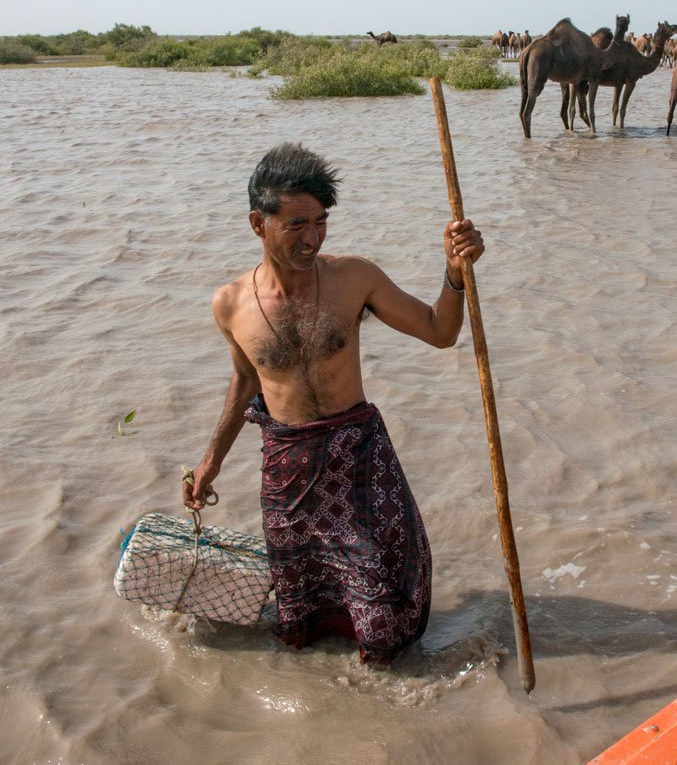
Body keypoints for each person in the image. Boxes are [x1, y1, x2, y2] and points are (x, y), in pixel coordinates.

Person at [184, 143, 484, 666]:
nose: (313, 237)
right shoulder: (230, 304)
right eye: (296, 225)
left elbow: (441, 332)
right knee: (300, 613)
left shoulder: (354, 278)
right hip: (288, 470)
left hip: (359, 457)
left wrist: (454, 273)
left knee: (382, 613)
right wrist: (210, 464)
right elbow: (244, 382)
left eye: (321, 222)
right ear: (258, 223)